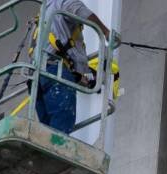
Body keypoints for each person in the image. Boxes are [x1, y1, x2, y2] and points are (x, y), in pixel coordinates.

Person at [35, 0, 112, 133]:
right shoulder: (64, 2)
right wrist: (106, 32)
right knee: (61, 127)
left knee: (47, 132)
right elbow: (81, 11)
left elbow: (72, 66)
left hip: (36, 77)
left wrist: (84, 76)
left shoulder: (44, 10)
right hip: (55, 71)